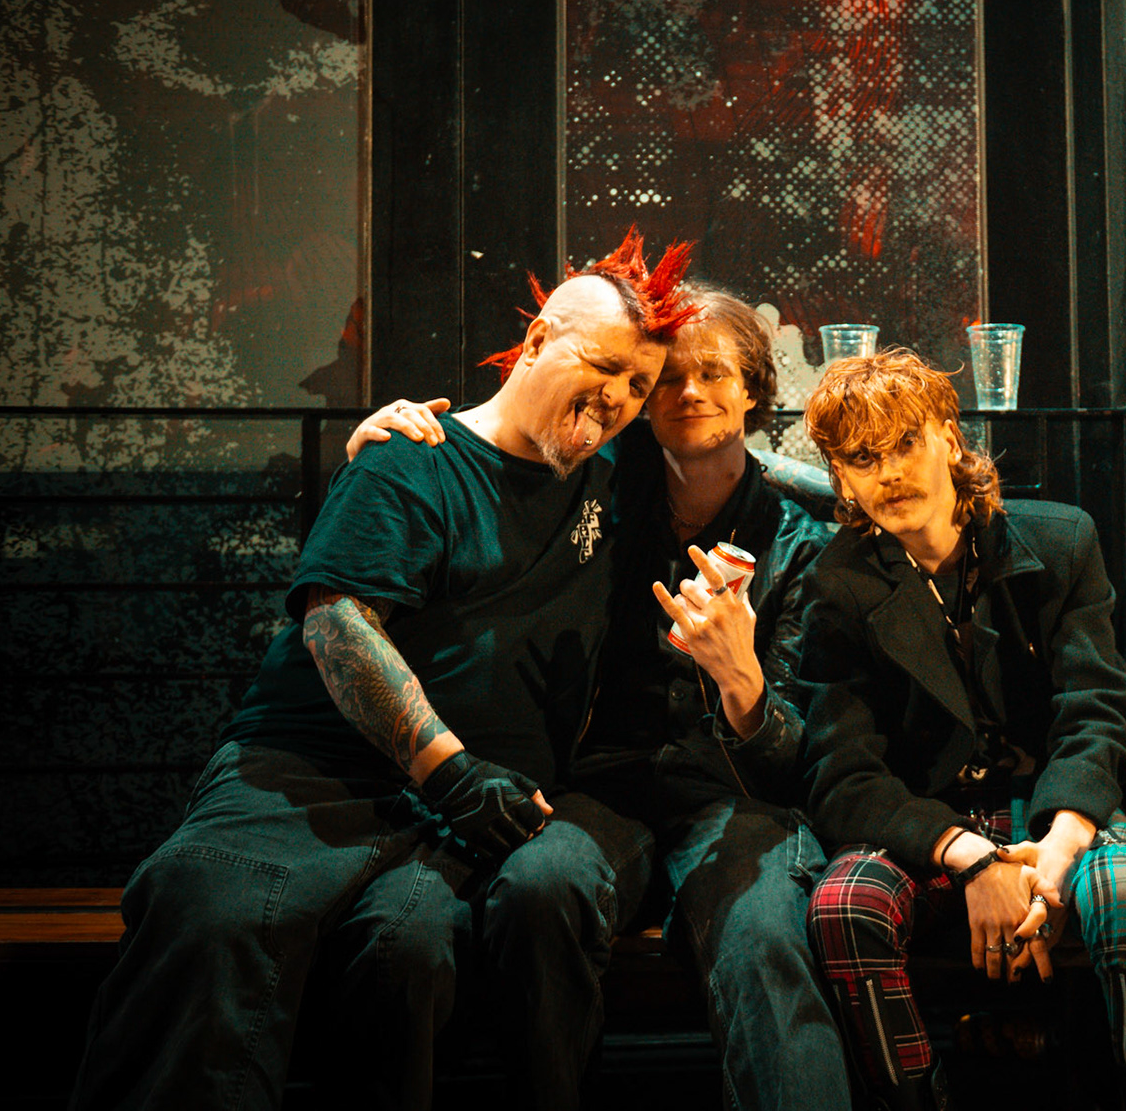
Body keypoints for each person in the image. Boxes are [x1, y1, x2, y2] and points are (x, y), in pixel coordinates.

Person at [70, 232, 694, 1111]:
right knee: (213, 916)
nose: (621, 397)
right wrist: (452, 771)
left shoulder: (609, 468)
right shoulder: (412, 458)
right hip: (314, 775)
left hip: (461, 811)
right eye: (606, 366)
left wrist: (873, 485)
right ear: (539, 339)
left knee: (407, 945)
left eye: (639, 384)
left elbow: (736, 458)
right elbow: (339, 625)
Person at [350, 282, 851, 1109]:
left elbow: (795, 752)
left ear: (754, 393)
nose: (689, 393)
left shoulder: (800, 544)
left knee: (763, 934)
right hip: (603, 784)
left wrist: (741, 677)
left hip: (737, 800)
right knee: (538, 889)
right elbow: (500, 443)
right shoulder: (601, 492)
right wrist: (396, 436)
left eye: (716, 375)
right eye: (668, 379)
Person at [796, 348, 1126, 1111]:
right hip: (931, 819)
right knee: (843, 907)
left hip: (1056, 802)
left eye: (905, 443)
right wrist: (973, 859)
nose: (889, 473)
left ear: (950, 437)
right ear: (841, 478)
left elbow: (1096, 709)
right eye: (862, 458)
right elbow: (841, 771)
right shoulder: (837, 582)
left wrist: (1060, 847)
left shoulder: (1059, 542)